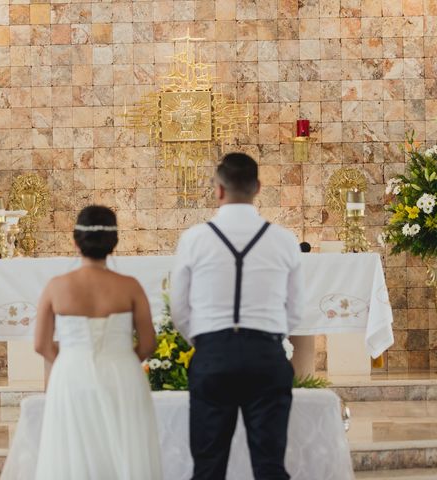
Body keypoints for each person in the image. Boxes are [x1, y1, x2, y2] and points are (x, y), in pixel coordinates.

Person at [171, 153, 304, 480]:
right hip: (266, 355)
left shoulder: (194, 239)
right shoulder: (285, 240)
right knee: (270, 466)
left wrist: (207, 340)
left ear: (218, 189)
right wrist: (268, 337)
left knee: (208, 466)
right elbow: (296, 311)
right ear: (258, 187)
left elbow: (179, 307)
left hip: (213, 356)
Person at [30, 205, 162, 480]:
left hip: (72, 375)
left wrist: (70, 361)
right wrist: (121, 359)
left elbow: (41, 344)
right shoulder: (130, 286)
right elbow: (148, 342)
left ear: (76, 240)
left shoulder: (56, 286)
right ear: (114, 242)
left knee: (74, 451)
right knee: (123, 450)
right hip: (123, 375)